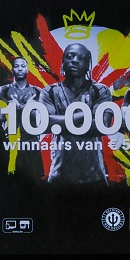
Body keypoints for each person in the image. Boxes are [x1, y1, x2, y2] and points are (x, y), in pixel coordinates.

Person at [41, 44, 113, 184]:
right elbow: (46, 124)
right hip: (59, 174)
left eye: (81, 58)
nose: (74, 60)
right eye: (70, 56)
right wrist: (85, 115)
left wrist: (60, 122)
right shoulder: (49, 91)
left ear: (88, 65)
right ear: (63, 62)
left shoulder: (100, 91)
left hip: (94, 176)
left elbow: (102, 125)